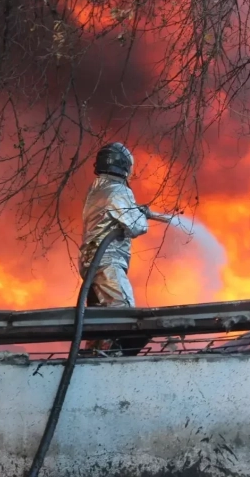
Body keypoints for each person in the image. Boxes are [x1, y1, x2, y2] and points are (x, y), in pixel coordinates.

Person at [78, 142, 151, 354]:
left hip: (90, 261)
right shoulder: (118, 190)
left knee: (100, 316)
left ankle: (96, 352)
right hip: (108, 261)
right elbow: (137, 227)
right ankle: (114, 357)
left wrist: (134, 210)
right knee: (124, 313)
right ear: (126, 166)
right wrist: (140, 213)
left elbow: (114, 215)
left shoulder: (96, 190)